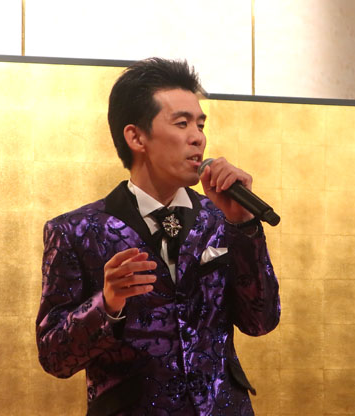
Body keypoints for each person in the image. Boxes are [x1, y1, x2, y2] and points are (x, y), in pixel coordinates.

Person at [36, 57, 280, 416]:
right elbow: (54, 357)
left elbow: (261, 322)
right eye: (181, 123)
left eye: (200, 124)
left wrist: (243, 226)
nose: (197, 137)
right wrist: (107, 304)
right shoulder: (76, 231)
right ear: (136, 137)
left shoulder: (222, 219)